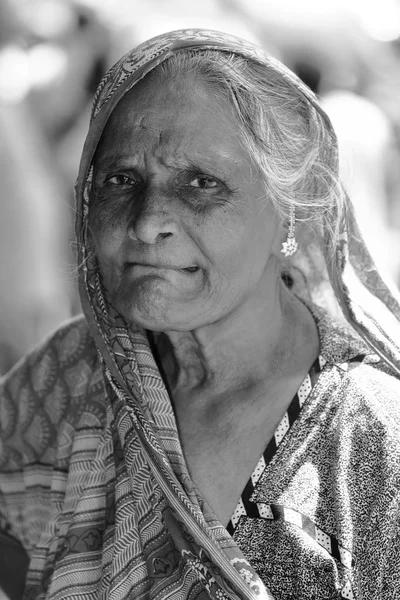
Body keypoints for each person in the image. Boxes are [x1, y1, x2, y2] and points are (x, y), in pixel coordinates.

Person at [1, 29, 400, 600]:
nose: (145, 223)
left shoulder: (371, 437)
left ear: (289, 210)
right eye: (120, 180)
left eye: (201, 183)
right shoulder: (70, 374)